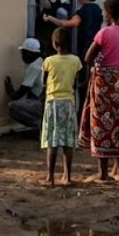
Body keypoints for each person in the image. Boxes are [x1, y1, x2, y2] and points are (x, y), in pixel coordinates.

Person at [79, 0, 119, 182]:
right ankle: (118, 169)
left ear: (109, 13)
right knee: (117, 121)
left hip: (103, 80)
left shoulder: (104, 33)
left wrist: (98, 62)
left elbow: (88, 57)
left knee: (100, 123)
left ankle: (102, 172)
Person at [44, 0, 103, 122]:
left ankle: (82, 116)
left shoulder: (83, 11)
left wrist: (50, 18)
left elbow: (67, 24)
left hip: (86, 51)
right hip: (96, 50)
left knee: (82, 85)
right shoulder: (97, 9)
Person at [41, 28, 82, 186]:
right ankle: (67, 177)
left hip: (52, 103)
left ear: (55, 43)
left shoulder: (48, 61)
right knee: (67, 142)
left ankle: (50, 177)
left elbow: (43, 83)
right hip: (68, 103)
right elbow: (76, 83)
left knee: (52, 142)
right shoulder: (75, 61)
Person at [5, 38, 44, 131]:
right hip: (44, 103)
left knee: (12, 107)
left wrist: (9, 89)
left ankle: (40, 125)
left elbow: (20, 93)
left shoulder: (34, 66)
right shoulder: (40, 61)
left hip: (41, 103)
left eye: (23, 53)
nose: (22, 56)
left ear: (28, 53)